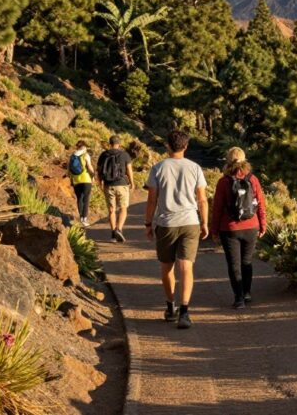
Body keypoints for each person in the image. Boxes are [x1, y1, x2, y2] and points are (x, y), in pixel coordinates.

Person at [144, 129, 209, 329]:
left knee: (167, 267)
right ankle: (185, 311)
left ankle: (171, 306)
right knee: (187, 267)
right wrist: (205, 222)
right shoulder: (195, 168)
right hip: (190, 221)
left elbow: (152, 199)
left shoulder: (158, 168)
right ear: (186, 146)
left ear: (167, 145)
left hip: (166, 223)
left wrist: (148, 223)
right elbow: (202, 199)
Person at [211, 147, 266, 309]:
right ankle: (247, 293)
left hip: (229, 229)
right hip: (251, 226)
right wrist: (263, 225)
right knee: (247, 261)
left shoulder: (223, 182)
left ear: (227, 161)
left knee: (234, 265)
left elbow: (217, 209)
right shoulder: (253, 179)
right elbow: (261, 204)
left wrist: (214, 231)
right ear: (245, 160)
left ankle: (239, 298)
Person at [97, 135, 135, 243]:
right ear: (119, 143)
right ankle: (119, 229)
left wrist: (100, 182)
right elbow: (129, 170)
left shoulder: (104, 155)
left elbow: (99, 170)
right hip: (122, 184)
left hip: (108, 185)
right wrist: (132, 182)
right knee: (123, 208)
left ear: (110, 143)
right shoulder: (124, 155)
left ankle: (113, 233)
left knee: (111, 210)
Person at [68, 140, 95, 226]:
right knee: (86, 199)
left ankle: (81, 218)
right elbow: (89, 167)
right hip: (86, 179)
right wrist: (93, 175)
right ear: (84, 147)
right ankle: (84, 219)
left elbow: (68, 170)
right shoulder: (85, 155)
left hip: (76, 180)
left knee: (79, 199)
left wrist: (71, 179)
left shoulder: (72, 156)